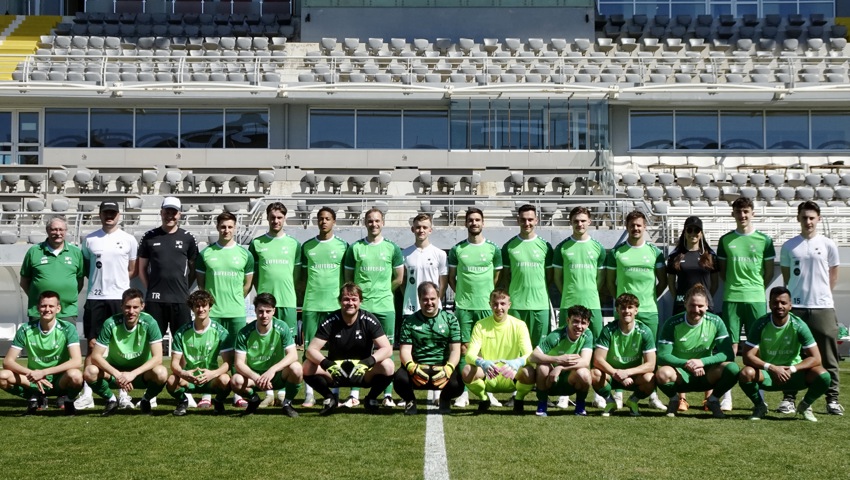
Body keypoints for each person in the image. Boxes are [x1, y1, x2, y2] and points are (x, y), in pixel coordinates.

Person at [777, 201, 843, 415]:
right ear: (798, 219)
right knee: (793, 355)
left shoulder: (828, 245)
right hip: (796, 308)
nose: (808, 221)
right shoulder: (789, 246)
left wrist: (822, 294)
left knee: (828, 355)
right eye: (804, 217)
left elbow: (833, 274)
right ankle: (789, 398)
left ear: (819, 219)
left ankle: (832, 399)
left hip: (822, 308)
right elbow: (787, 278)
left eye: (812, 217)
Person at [75, 201, 138, 411]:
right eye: (105, 213)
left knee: (119, 347)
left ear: (119, 215)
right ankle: (87, 393)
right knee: (92, 345)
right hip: (95, 298)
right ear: (100, 215)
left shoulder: (129, 239)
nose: (109, 216)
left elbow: (132, 269)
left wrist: (117, 285)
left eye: (112, 212)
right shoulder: (89, 239)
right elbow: (86, 268)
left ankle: (123, 394)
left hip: (119, 299)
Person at [716, 197, 775, 412]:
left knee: (755, 348)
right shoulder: (725, 240)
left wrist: (757, 288)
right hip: (732, 297)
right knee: (730, 347)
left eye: (746, 211)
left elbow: (768, 272)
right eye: (739, 211)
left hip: (756, 299)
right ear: (733, 214)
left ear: (753, 213)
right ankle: (727, 396)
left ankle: (758, 395)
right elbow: (722, 272)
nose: (743, 215)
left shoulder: (764, 240)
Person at [738, 286, 831, 422]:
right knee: (746, 373)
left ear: (790, 305)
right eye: (775, 302)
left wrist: (792, 369)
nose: (779, 306)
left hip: (793, 374)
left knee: (823, 376)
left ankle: (805, 406)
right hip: (769, 374)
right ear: (769, 304)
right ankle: (759, 406)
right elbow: (747, 356)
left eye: (783, 303)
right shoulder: (760, 324)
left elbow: (816, 358)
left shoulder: (799, 325)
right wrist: (772, 368)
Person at [302, 283, 395, 416]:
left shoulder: (368, 319)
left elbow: (387, 349)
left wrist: (367, 362)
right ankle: (330, 398)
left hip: (362, 372)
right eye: (346, 299)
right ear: (340, 301)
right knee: (307, 365)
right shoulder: (331, 320)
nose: (350, 303)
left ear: (360, 301)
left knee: (388, 365)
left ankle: (371, 398)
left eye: (354, 299)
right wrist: (328, 364)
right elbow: (311, 350)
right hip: (336, 372)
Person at [605, 209, 666, 410]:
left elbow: (663, 281)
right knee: (619, 353)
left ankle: (652, 394)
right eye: (632, 225)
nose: (636, 228)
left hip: (649, 311)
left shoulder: (655, 252)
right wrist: (621, 303)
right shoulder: (617, 252)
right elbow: (610, 283)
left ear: (645, 227)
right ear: (627, 227)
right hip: (623, 312)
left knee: (649, 355)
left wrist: (648, 299)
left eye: (639, 225)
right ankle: (619, 393)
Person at [343, 207, 403, 407]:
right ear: (365, 223)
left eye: (377, 221)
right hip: (364, 307)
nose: (374, 224)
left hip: (385, 306)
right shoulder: (355, 248)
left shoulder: (392, 248)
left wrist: (385, 291)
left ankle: (387, 395)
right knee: (360, 350)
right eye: (370, 221)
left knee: (387, 350)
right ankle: (354, 393)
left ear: (383, 222)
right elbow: (349, 279)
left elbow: (399, 278)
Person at [196, 211, 254, 407]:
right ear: (217, 227)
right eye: (223, 226)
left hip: (236, 313)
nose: (226, 230)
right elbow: (202, 285)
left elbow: (247, 286)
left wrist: (235, 299)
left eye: (230, 226)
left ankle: (238, 394)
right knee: (208, 354)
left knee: (238, 355)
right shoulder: (206, 254)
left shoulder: (245, 255)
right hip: (214, 314)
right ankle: (206, 394)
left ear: (235, 227)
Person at [656, 284, 740, 418]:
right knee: (662, 373)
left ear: (707, 305)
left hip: (706, 373)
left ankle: (713, 400)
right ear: (685, 304)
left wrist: (702, 361)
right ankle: (674, 400)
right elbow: (662, 356)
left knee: (733, 369)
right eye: (692, 305)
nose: (696, 309)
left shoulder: (716, 321)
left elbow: (728, 353)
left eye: (700, 306)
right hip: (681, 374)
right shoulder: (672, 323)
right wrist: (687, 364)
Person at [552, 205, 607, 409]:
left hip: (593, 305)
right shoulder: (563, 248)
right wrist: (571, 293)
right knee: (567, 347)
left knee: (596, 351)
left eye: (583, 220)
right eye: (576, 221)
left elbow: (600, 280)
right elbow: (558, 279)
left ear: (589, 222)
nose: (580, 224)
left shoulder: (598, 248)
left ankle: (598, 393)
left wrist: (589, 294)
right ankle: (565, 393)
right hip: (568, 304)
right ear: (571, 223)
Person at [447, 207, 502, 408]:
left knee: (487, 351)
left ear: (483, 222)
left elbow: (496, 278)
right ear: (466, 223)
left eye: (477, 220)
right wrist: (463, 295)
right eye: (470, 220)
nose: (474, 223)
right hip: (464, 307)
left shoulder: (493, 249)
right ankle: (464, 392)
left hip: (486, 308)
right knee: (464, 350)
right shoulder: (457, 250)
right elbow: (452, 278)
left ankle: (488, 390)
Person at [248, 202, 300, 408]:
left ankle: (282, 394)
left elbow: (296, 275)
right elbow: (254, 275)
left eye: (279, 217)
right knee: (267, 348)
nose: (276, 221)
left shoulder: (294, 244)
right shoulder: (257, 243)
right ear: (267, 218)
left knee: (286, 348)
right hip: (265, 305)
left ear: (284, 218)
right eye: (272, 217)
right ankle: (268, 391)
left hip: (287, 302)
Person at [84, 288, 168, 416]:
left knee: (161, 373)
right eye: (127, 307)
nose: (131, 311)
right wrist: (118, 375)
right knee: (90, 371)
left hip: (141, 374)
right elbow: (95, 356)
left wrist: (132, 374)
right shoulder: (110, 323)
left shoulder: (150, 322)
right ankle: (111, 400)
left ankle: (146, 400)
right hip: (115, 373)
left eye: (135, 307)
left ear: (142, 307)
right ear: (121, 306)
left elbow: (158, 358)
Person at [664, 215, 718, 412]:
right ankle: (682, 398)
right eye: (690, 230)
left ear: (701, 233)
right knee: (681, 349)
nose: (693, 234)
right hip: (681, 307)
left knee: (707, 349)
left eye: (696, 230)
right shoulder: (676, 256)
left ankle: (708, 398)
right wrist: (681, 300)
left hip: (705, 309)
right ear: (685, 232)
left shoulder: (710, 256)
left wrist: (705, 301)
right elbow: (671, 284)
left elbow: (715, 282)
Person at [0, 291, 83, 415]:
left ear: (58, 308)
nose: (47, 309)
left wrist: (44, 372)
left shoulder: (67, 328)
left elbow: (77, 361)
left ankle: (68, 400)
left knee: (76, 376)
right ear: (38, 308)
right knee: (2, 376)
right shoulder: (25, 329)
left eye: (51, 306)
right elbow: (8, 361)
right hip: (33, 379)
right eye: (43, 306)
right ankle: (33, 397)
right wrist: (33, 374)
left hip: (59, 379)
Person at [299, 206, 348, 407]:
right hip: (312, 304)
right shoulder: (307, 246)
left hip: (334, 306)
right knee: (310, 351)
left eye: (327, 218)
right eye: (320, 218)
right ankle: (309, 394)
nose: (324, 222)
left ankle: (334, 392)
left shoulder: (344, 246)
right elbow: (301, 279)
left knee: (335, 351)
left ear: (334, 221)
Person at [394, 282, 463, 415]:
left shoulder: (450, 319)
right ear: (419, 300)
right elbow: (405, 351)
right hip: (418, 369)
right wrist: (411, 367)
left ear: (438, 298)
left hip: (441, 369)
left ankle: (444, 399)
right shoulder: (409, 321)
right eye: (425, 299)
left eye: (432, 299)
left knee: (458, 383)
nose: (429, 302)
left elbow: (455, 350)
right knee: (399, 379)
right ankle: (410, 401)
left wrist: (448, 369)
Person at [462, 289, 535, 414]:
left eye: (502, 304)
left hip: (512, 374)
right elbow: (469, 355)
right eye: (495, 304)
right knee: (467, 370)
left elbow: (530, 354)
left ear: (509, 305)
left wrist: (517, 362)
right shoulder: (480, 325)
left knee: (529, 372)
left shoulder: (519, 325)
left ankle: (518, 399)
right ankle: (484, 399)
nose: (499, 307)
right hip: (489, 374)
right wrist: (482, 363)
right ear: (490, 304)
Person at [401, 213, 448, 407]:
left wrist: (435, 303)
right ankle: (409, 394)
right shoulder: (405, 253)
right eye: (418, 227)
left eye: (424, 227)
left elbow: (442, 284)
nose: (421, 230)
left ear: (431, 229)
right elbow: (403, 283)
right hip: (410, 309)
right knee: (411, 352)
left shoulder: (439, 253)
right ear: (413, 229)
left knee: (437, 350)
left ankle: (438, 390)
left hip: (434, 311)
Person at [230, 293, 302, 417]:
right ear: (255, 310)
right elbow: (239, 363)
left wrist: (272, 370)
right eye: (261, 311)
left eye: (268, 311)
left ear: (274, 311)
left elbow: (293, 355)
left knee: (296, 368)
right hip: (255, 377)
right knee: (236, 380)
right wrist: (256, 377)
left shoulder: (282, 327)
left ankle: (287, 404)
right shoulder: (245, 332)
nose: (264, 315)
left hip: (277, 375)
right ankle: (254, 400)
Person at [137, 196, 199, 338]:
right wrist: (152, 287)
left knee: (182, 342)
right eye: (167, 212)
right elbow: (142, 269)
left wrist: (184, 287)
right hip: (155, 300)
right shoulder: (149, 237)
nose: (170, 216)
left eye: (174, 212)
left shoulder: (188, 238)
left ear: (179, 214)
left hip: (180, 299)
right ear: (161, 213)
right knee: (153, 341)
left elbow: (193, 269)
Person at [166, 290, 232, 416]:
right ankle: (182, 401)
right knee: (171, 380)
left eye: (204, 305)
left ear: (210, 307)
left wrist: (212, 374)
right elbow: (174, 363)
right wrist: (184, 373)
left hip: (211, 378)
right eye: (197, 306)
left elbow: (228, 363)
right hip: (189, 377)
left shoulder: (221, 331)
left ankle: (218, 402)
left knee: (225, 379)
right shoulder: (181, 332)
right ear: (192, 308)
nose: (201, 309)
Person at [591, 293, 657, 417]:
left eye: (630, 307)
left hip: (632, 377)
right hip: (612, 375)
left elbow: (651, 364)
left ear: (636, 310)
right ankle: (610, 402)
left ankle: (633, 401)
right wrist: (616, 373)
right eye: (623, 307)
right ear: (617, 310)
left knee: (650, 378)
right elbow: (597, 360)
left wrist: (627, 373)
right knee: (595, 373)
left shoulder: (644, 331)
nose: (626, 311)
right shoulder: (608, 330)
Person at [499, 203, 553, 349]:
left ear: (536, 220)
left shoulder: (545, 247)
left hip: (540, 305)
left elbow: (549, 277)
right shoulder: (509, 246)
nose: (527, 223)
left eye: (530, 219)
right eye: (523, 219)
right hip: (517, 304)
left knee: (540, 348)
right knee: (516, 347)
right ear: (518, 221)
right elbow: (506, 277)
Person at [530, 304, 594, 417]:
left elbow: (585, 362)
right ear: (568, 320)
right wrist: (558, 359)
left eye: (583, 323)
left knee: (584, 373)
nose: (579, 326)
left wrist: (560, 367)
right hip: (551, 380)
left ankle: (580, 407)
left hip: (570, 380)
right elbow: (533, 356)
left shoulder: (587, 335)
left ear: (588, 324)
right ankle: (542, 405)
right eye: (575, 321)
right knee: (542, 368)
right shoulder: (557, 335)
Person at [19, 216, 84, 322]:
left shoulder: (76, 252)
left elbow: (79, 281)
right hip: (39, 311)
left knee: (66, 339)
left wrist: (68, 295)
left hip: (67, 311)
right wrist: (39, 298)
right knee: (38, 339)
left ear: (66, 231)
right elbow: (24, 281)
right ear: (47, 230)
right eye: (54, 229)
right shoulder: (34, 251)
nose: (58, 233)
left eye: (61, 229)